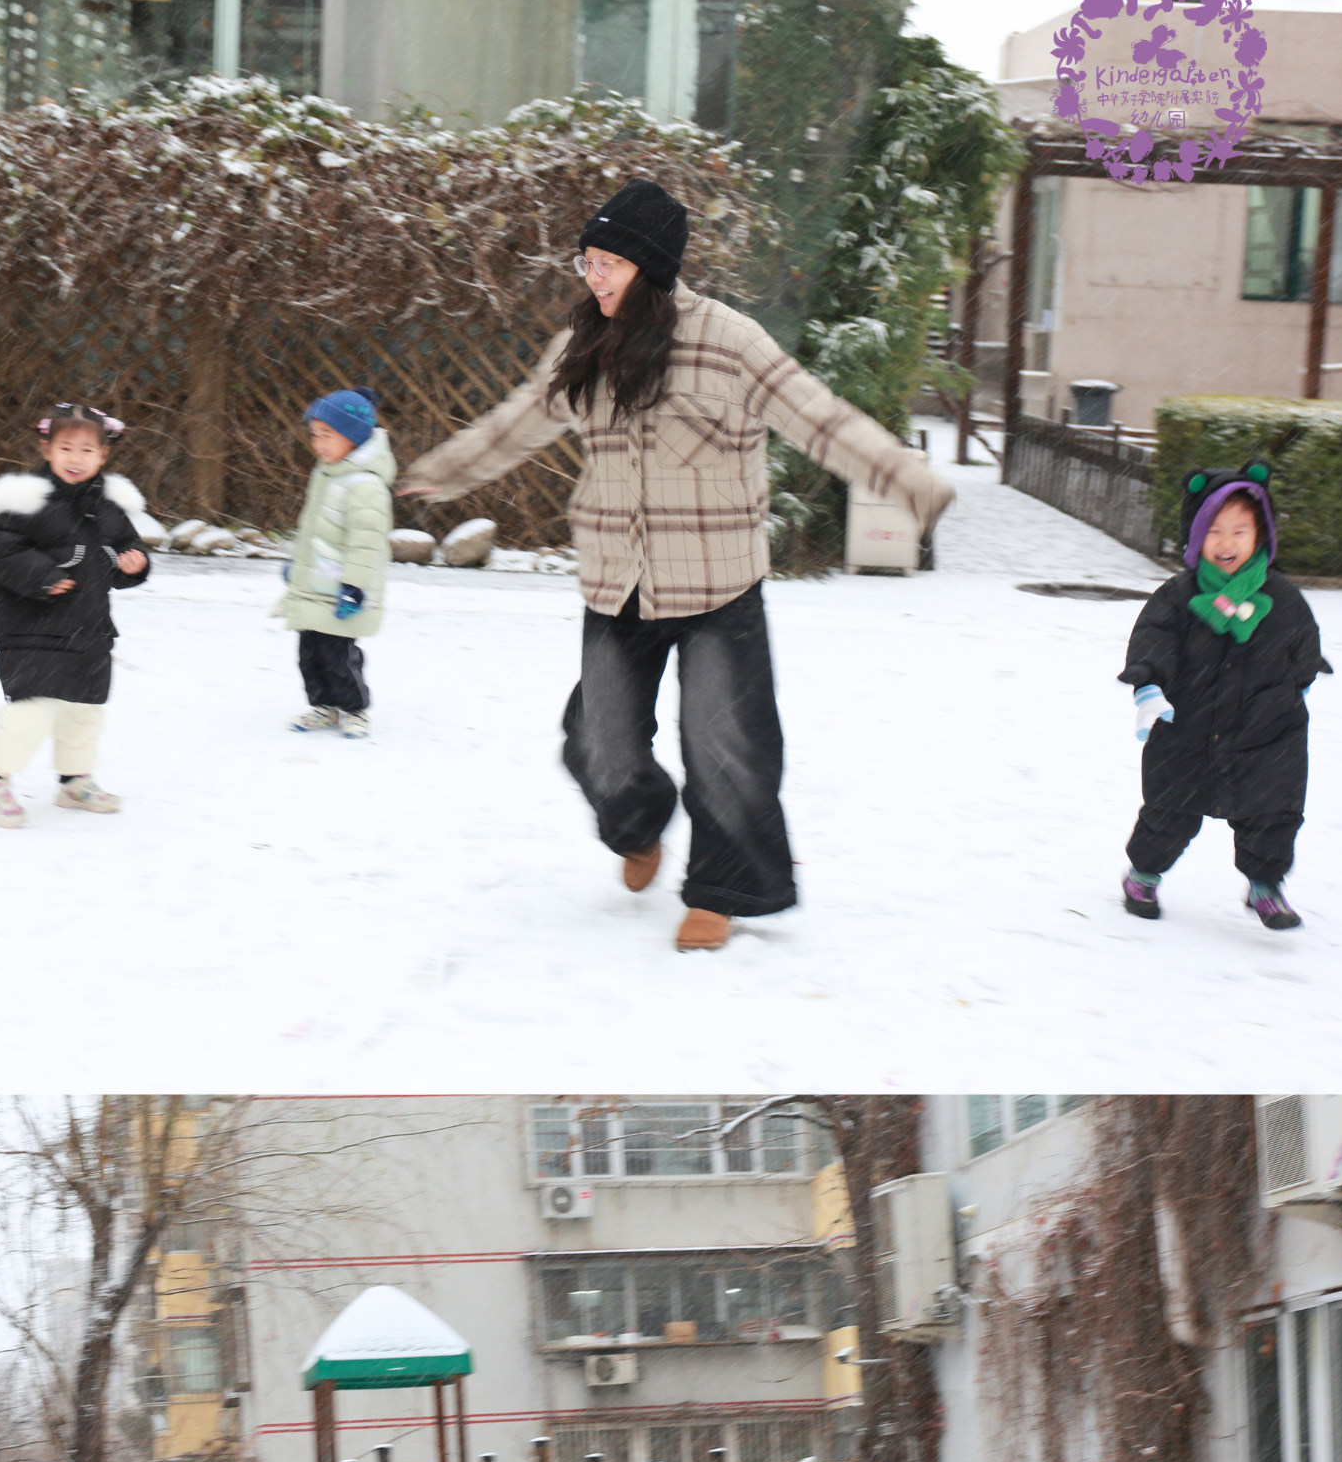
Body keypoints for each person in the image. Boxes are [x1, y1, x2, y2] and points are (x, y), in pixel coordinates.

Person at [401, 178, 953, 952]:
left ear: (650, 265)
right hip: (614, 577)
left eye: (607, 262)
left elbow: (819, 417)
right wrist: (446, 470)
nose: (592, 277)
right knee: (599, 740)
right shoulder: (581, 346)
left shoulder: (729, 341)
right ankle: (638, 824)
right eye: (585, 261)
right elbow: (518, 422)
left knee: (724, 742)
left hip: (714, 580)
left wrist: (906, 479)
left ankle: (723, 887)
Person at [1120, 461, 1332, 932]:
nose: (1227, 542)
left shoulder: (1284, 599)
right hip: (1187, 728)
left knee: (1271, 813)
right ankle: (1144, 873)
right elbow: (1153, 640)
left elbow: (1303, 652)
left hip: (1266, 735)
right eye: (1214, 531)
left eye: (1240, 530)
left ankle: (1266, 886)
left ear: (1261, 535)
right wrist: (1148, 685)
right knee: (1169, 811)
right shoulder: (1177, 597)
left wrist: (1286, 696)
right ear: (1196, 538)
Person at [0, 403, 149, 825]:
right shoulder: (25, 501)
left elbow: (126, 547)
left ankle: (75, 781)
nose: (76, 458)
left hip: (89, 629)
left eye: (87, 451)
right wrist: (43, 577)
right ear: (46, 449)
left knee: (84, 710)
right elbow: (2, 551)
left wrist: (135, 564)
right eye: (66, 448)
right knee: (32, 710)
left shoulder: (108, 506)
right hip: (33, 626)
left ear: (103, 456)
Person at [279, 386, 395, 738]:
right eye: (314, 435)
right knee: (309, 654)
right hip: (314, 583)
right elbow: (313, 527)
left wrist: (356, 586)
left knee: (338, 655)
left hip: (343, 588)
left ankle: (354, 708)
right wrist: (296, 564)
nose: (318, 444)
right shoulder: (327, 473)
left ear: (353, 436)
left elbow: (367, 543)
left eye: (327, 435)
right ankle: (324, 705)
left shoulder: (365, 485)